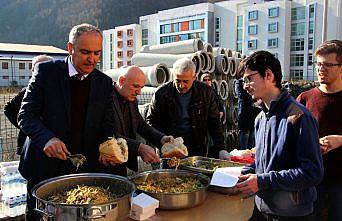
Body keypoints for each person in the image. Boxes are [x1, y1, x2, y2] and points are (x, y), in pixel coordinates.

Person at [18, 24, 117, 220]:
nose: (92, 59)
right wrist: (47, 139)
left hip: (83, 169)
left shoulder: (104, 82)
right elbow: (26, 115)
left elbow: (107, 125)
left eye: (97, 53)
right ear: (70, 48)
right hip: (44, 169)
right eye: (85, 52)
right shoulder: (46, 72)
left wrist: (107, 146)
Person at [235, 51, 323, 221]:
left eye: (249, 79)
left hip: (291, 214)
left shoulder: (299, 117)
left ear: (268, 75)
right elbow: (265, 162)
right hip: (262, 207)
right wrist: (246, 174)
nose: (245, 86)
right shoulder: (260, 118)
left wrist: (262, 181)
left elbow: (313, 172)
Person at [296, 40, 342, 221]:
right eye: (318, 64)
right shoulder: (305, 98)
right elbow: (288, 135)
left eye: (328, 65)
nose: (321, 69)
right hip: (311, 181)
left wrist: (340, 140)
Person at [146, 57, 225, 158]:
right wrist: (161, 138)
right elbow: (151, 121)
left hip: (196, 148)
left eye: (185, 81)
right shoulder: (161, 93)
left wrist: (221, 148)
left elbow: (214, 122)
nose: (181, 85)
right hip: (168, 148)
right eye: (178, 81)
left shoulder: (206, 92)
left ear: (194, 78)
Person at [112, 65, 173, 169]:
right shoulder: (105, 99)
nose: (139, 92)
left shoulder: (132, 99)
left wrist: (161, 138)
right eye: (136, 86)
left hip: (122, 162)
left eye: (141, 87)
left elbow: (141, 125)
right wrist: (138, 148)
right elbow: (106, 133)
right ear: (122, 81)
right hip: (106, 162)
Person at [4, 55, 53, 155]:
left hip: (52, 143)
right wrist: (26, 127)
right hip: (30, 143)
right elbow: (9, 109)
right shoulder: (27, 91)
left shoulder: (58, 90)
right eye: (39, 67)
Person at [234, 78, 260, 149]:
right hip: (245, 115)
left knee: (251, 144)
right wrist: (253, 101)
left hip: (254, 115)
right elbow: (241, 96)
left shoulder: (253, 82)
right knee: (244, 145)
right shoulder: (239, 82)